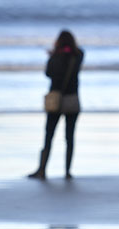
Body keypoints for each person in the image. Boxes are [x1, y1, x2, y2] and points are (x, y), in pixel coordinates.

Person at [28, 30, 84, 180]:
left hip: (56, 99)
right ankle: (67, 171)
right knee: (69, 137)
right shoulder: (78, 55)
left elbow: (48, 73)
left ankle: (42, 170)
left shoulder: (56, 56)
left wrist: (53, 55)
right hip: (72, 99)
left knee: (49, 135)